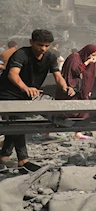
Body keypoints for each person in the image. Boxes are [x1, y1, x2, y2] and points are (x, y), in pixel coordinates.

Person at [0, 30, 75, 172]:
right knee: (18, 122)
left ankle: (3, 156)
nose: (43, 49)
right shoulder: (21, 54)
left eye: (47, 45)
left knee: (14, 124)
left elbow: (57, 76)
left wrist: (66, 87)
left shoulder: (50, 57)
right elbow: (12, 74)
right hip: (8, 92)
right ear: (31, 42)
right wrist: (25, 87)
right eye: (40, 45)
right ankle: (23, 160)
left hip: (28, 93)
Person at [55, 44, 96, 140]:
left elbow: (90, 76)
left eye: (95, 56)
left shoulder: (90, 61)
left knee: (83, 111)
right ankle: (47, 130)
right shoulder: (75, 57)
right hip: (69, 88)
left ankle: (78, 132)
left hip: (80, 91)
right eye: (92, 55)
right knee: (64, 111)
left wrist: (88, 90)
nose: (93, 58)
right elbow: (74, 71)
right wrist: (87, 62)